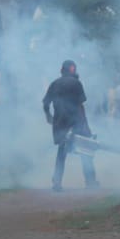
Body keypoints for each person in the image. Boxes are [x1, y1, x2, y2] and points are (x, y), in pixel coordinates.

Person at [42, 59, 98, 191]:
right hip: (75, 121)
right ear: (73, 70)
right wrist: (86, 126)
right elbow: (80, 106)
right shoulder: (76, 83)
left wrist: (48, 116)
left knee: (61, 152)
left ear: (62, 70)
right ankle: (90, 181)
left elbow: (45, 103)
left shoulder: (54, 84)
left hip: (60, 123)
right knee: (85, 150)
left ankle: (57, 182)